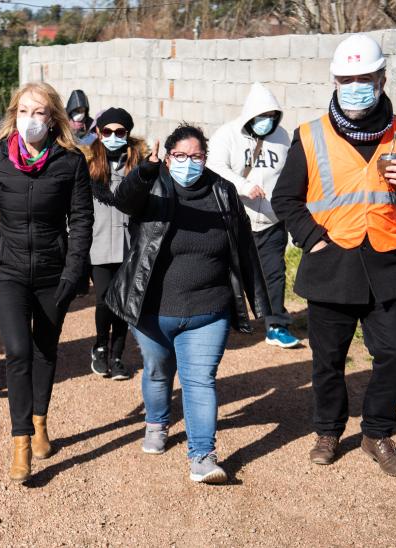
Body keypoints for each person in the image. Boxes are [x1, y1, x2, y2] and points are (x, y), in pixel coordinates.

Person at [271, 34, 396, 477]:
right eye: (346, 79)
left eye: (364, 78)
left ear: (382, 79)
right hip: (331, 264)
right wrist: (312, 239)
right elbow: (285, 199)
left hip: (385, 263)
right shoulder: (310, 135)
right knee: (328, 360)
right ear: (334, 81)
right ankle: (328, 432)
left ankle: (377, 434)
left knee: (394, 354)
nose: (355, 86)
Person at [105, 124, 270, 484]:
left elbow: (243, 248)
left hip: (208, 310)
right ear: (167, 157)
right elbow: (123, 201)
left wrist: (261, 302)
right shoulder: (154, 186)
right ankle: (157, 422)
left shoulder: (223, 192)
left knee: (200, 380)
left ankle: (203, 456)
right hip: (151, 310)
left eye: (196, 156)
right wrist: (145, 171)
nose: (189, 163)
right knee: (157, 371)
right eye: (180, 156)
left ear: (205, 158)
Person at [0, 82, 93, 482]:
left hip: (54, 272)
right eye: (23, 112)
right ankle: (21, 444)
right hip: (7, 271)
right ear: (13, 114)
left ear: (53, 119)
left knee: (45, 350)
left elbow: (82, 220)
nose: (31, 120)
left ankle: (40, 422)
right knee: (18, 351)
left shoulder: (71, 161)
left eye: (39, 113)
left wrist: (74, 271)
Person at [207, 82, 300, 349]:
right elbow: (214, 167)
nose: (266, 122)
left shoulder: (282, 137)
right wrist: (243, 186)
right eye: (261, 117)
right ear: (249, 115)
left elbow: (292, 173)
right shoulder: (227, 135)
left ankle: (276, 325)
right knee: (226, 272)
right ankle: (220, 323)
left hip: (272, 219)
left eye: (272, 117)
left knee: (274, 273)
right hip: (235, 218)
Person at [82, 107, 144, 380]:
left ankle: (118, 355)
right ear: (98, 132)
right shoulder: (87, 164)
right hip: (99, 243)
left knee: (123, 302)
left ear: (127, 134)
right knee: (105, 299)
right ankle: (99, 345)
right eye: (107, 131)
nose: (113, 136)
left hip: (129, 244)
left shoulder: (138, 164)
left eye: (120, 132)